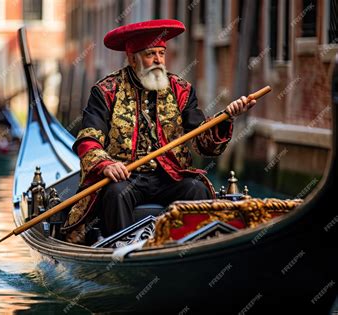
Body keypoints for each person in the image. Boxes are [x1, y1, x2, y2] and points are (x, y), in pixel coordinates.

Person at [61, 19, 256, 244]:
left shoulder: (180, 90)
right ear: (133, 59)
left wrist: (225, 118)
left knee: (196, 189)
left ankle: (190, 247)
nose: (158, 61)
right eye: (150, 54)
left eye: (161, 54)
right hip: (126, 176)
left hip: (169, 175)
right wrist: (107, 165)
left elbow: (203, 142)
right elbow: (88, 139)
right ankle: (122, 252)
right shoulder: (106, 91)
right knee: (116, 193)